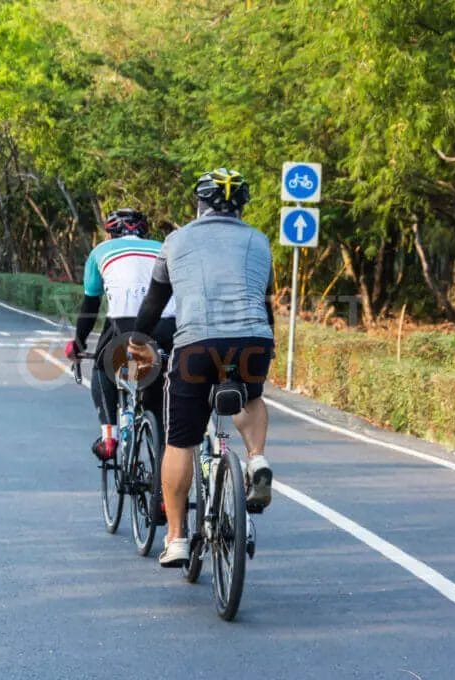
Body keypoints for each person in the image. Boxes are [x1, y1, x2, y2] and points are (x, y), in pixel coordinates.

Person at [128, 168, 275, 567]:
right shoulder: (259, 241)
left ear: (200, 204)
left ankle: (175, 537)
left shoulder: (176, 241)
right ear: (241, 206)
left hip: (197, 346)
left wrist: (137, 343)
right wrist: (266, 348)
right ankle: (257, 458)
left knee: (180, 441)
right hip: (253, 341)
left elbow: (154, 305)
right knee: (252, 396)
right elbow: (264, 303)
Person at [65, 209, 177, 462]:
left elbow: (90, 306)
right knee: (156, 395)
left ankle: (109, 437)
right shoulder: (162, 248)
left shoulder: (100, 252)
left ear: (110, 233)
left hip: (124, 325)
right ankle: (161, 484)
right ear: (144, 231)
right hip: (167, 324)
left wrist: (78, 343)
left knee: (102, 368)